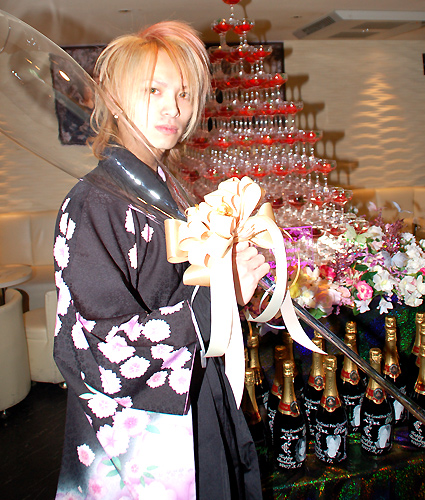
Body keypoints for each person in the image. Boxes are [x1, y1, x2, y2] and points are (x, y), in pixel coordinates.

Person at [53, 21, 269, 500]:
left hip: (196, 393)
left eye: (184, 94)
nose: (174, 108)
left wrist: (236, 278)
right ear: (113, 99)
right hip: (145, 426)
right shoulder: (94, 203)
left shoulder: (169, 191)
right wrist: (221, 297)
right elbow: (103, 347)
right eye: (154, 90)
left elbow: (188, 286)